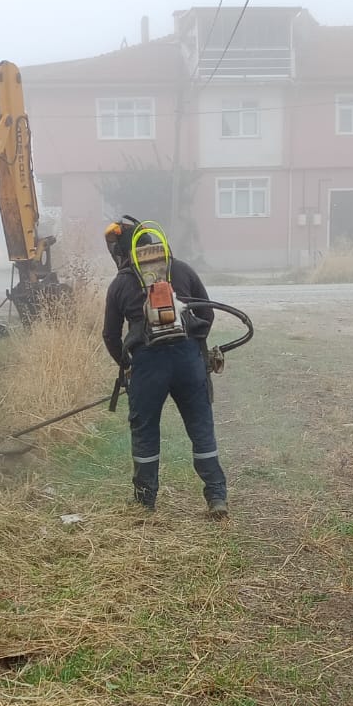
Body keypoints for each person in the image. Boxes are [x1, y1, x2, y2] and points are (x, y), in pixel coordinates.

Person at [102, 217, 229, 519]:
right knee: (201, 429)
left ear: (124, 251)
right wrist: (196, 348)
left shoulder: (121, 282)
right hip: (188, 361)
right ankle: (216, 496)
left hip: (147, 365)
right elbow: (207, 313)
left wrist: (128, 364)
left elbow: (110, 334)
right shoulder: (182, 270)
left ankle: (145, 501)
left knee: (145, 432)